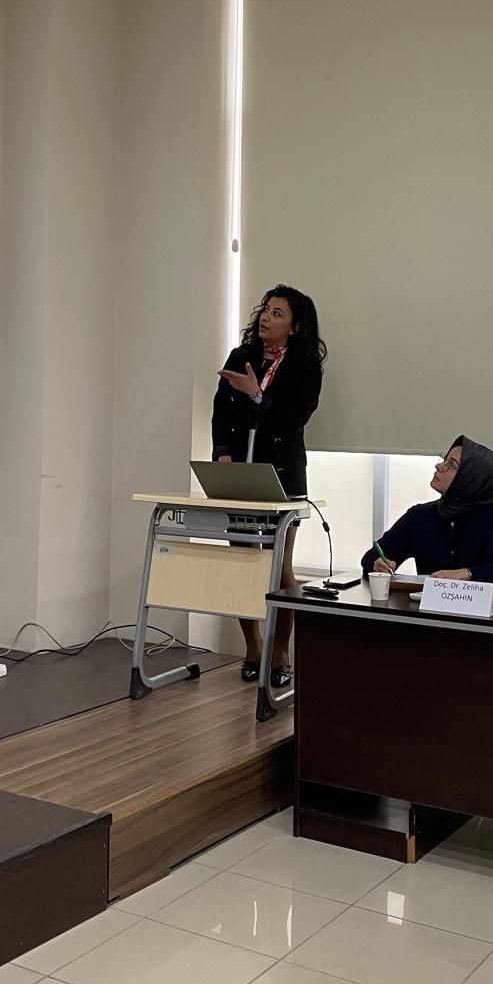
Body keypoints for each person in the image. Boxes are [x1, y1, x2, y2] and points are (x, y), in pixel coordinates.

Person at [212, 284, 326, 687]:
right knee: (244, 565)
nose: (266, 317)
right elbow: (220, 410)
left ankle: (280, 653)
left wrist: (258, 395)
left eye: (277, 313)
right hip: (239, 474)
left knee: (279, 566)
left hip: (282, 475)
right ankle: (253, 648)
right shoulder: (241, 356)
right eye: (266, 309)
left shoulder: (305, 367)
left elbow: (293, 420)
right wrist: (222, 453)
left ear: (295, 327)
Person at [362, 437, 493, 583]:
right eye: (445, 460)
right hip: (427, 603)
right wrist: (377, 564)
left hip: (483, 602)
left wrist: (465, 574)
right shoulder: (419, 516)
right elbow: (372, 555)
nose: (439, 466)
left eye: (452, 465)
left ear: (469, 478)